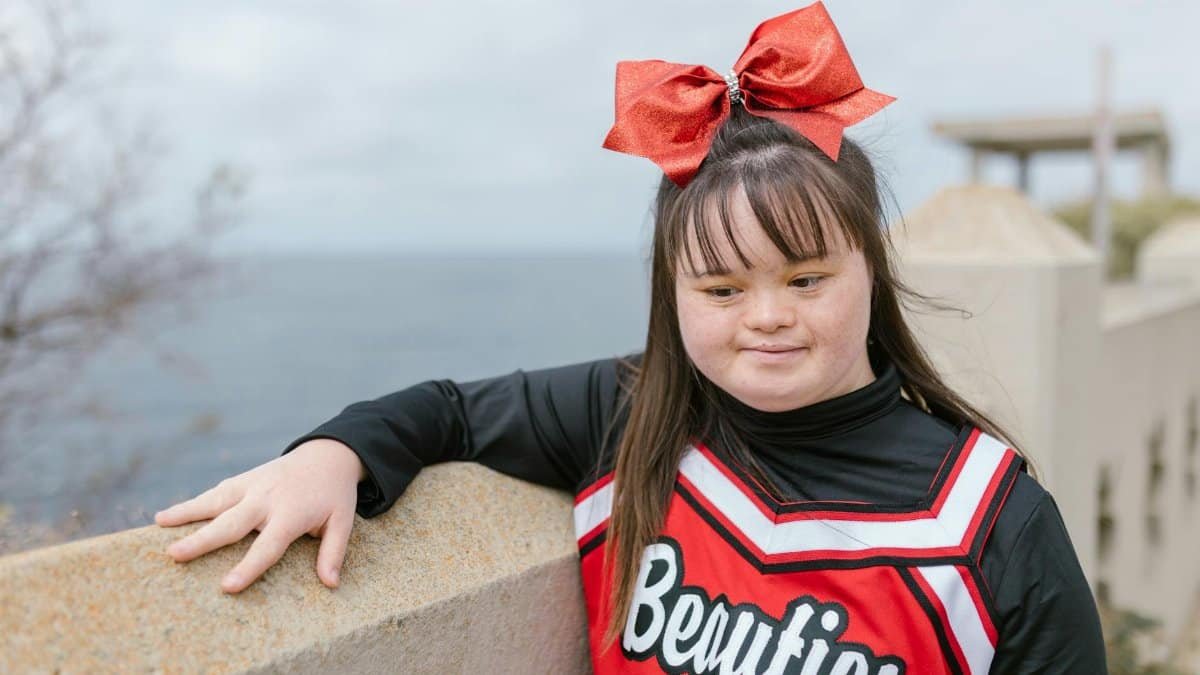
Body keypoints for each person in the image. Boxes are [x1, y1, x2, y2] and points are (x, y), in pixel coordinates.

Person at [155, 3, 1108, 672]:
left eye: (807, 278)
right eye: (721, 286)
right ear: (673, 293)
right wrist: (331, 455)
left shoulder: (993, 518)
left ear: (872, 270)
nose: (766, 315)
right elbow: (443, 412)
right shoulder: (629, 413)